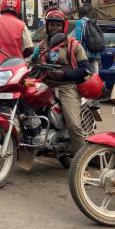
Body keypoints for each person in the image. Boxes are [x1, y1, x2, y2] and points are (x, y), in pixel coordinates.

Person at [33, 9, 91, 152]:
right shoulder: (42, 45)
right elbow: (32, 64)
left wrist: (63, 73)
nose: (54, 28)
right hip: (45, 85)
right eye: (51, 25)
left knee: (73, 125)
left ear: (63, 27)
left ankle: (82, 161)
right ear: (47, 26)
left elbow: (86, 70)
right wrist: (35, 57)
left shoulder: (73, 45)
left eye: (57, 25)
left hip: (67, 86)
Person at [72, 4, 100, 74]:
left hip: (84, 55)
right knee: (95, 76)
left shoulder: (79, 22)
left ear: (79, 14)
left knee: (86, 77)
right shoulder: (94, 23)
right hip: (95, 55)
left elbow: (78, 39)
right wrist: (99, 57)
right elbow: (99, 39)